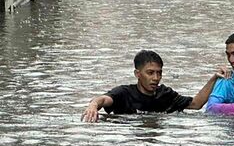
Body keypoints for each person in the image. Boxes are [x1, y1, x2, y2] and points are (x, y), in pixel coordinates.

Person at [81, 50, 224, 122]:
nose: (156, 78)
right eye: (150, 73)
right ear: (137, 74)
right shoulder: (124, 93)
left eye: (159, 73)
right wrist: (93, 105)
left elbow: (196, 104)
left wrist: (214, 78)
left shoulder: (165, 94)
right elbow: (103, 100)